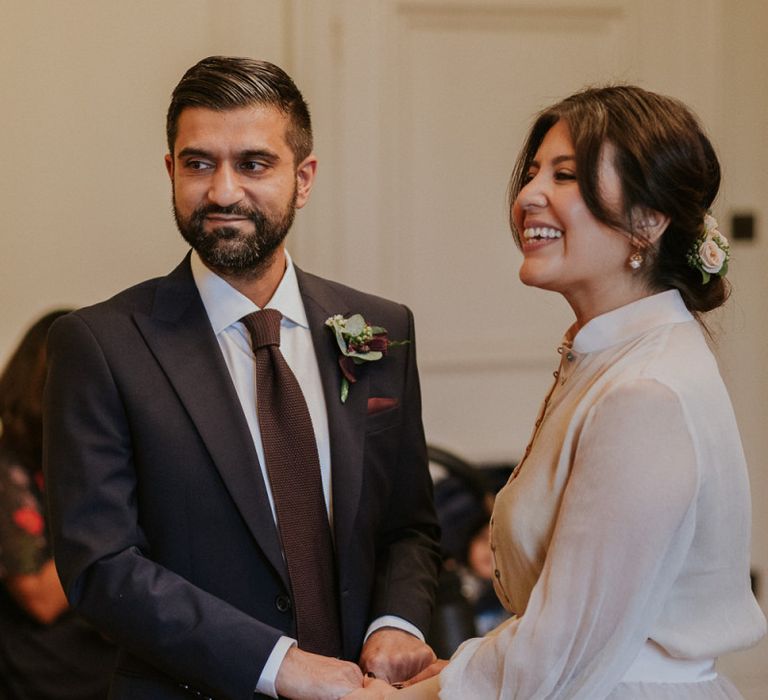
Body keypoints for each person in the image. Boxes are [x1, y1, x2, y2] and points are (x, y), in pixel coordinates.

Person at [349, 86, 767, 699]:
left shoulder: (643, 391)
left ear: (648, 221)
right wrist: (459, 669)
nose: (528, 196)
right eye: (534, 172)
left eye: (566, 175)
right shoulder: (610, 355)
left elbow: (563, 650)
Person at [43, 56, 441, 700]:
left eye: (254, 164)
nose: (224, 191)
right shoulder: (100, 344)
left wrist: (397, 622)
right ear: (170, 171)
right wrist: (280, 664)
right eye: (199, 164)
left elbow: (407, 527)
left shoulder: (377, 329)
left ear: (303, 178)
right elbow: (102, 567)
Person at [0, 309, 117, 699]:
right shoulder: (7, 469)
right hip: (47, 674)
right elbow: (39, 597)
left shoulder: (78, 460)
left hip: (104, 667)